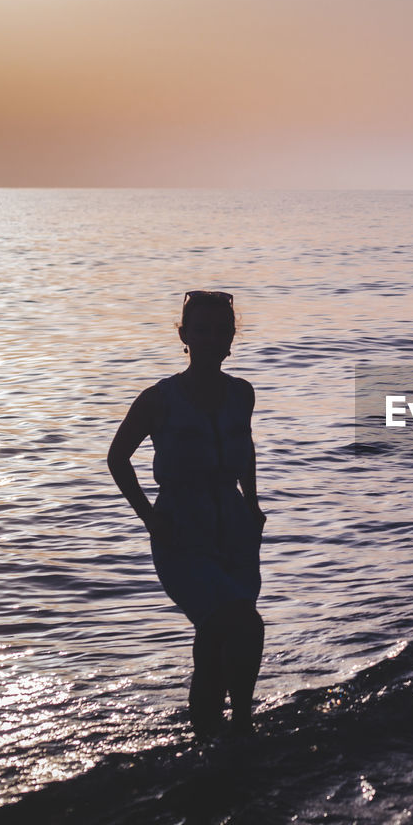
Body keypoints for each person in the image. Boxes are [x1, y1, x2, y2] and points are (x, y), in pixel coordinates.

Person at [108, 290, 266, 737]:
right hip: (180, 528)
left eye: (222, 330)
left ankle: (210, 737)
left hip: (233, 527)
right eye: (203, 330)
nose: (213, 339)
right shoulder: (160, 399)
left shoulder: (242, 393)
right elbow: (118, 458)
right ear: (185, 336)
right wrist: (149, 518)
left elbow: (245, 447)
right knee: (243, 624)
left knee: (217, 636)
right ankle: (242, 725)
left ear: (233, 338)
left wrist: (252, 505)